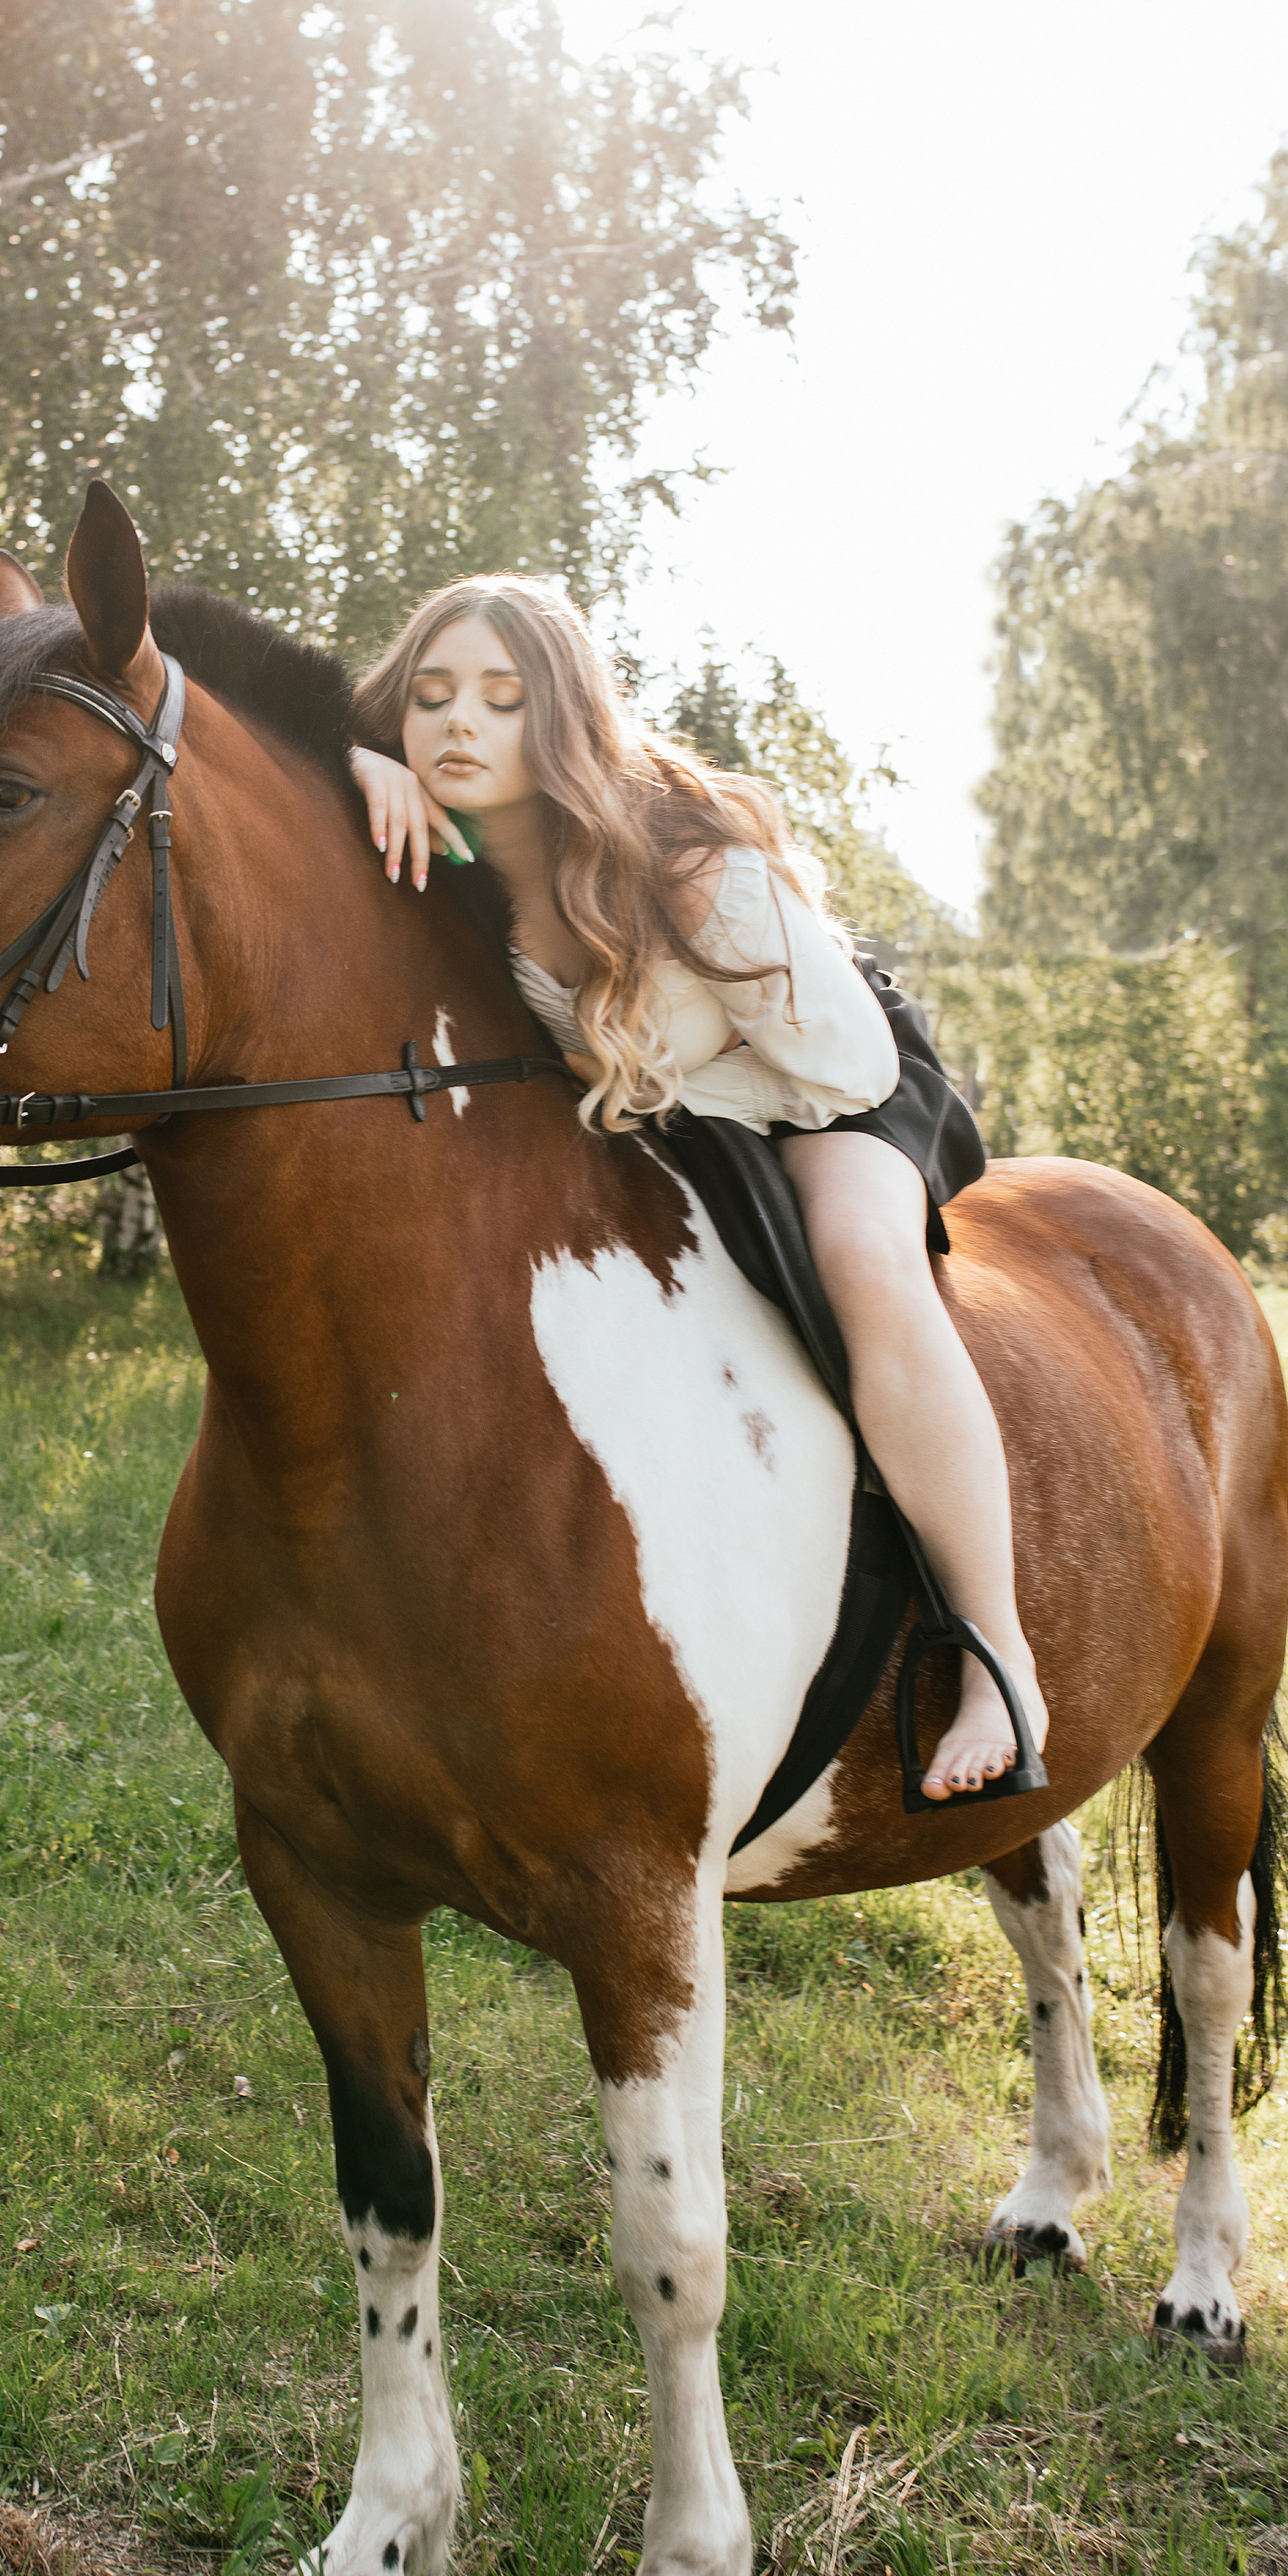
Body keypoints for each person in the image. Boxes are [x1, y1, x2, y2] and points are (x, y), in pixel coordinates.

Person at [348, 574, 1048, 1803]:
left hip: (813, 1092)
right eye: (432, 696)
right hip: (651, 1113)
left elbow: (839, 1063)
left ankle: (996, 1652)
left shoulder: (681, 859)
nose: (459, 724)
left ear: (559, 719)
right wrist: (357, 768)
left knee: (862, 1265)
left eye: (503, 700)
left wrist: (625, 1093)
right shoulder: (438, 848)